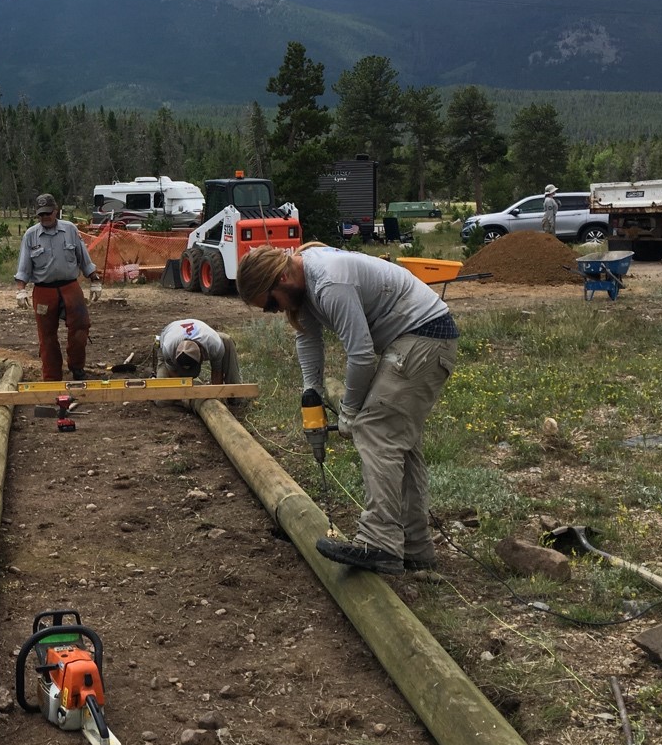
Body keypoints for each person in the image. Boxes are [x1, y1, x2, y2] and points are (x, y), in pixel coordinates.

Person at [236, 243, 458, 575]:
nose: (275, 310)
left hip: (424, 337)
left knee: (375, 428)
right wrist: (311, 387)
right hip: (417, 338)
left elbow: (361, 354)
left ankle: (380, 543)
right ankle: (415, 547)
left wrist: (351, 412)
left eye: (271, 303)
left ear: (281, 276)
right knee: (398, 441)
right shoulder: (305, 282)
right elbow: (307, 337)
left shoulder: (328, 283)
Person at [15, 193, 103, 381]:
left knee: (81, 328)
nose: (45, 218)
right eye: (41, 215)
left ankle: (77, 368)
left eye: (48, 213)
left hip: (70, 288)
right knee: (47, 337)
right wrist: (21, 290)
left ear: (56, 211)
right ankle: (52, 377)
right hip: (44, 291)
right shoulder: (31, 235)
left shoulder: (70, 230)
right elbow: (23, 268)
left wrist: (94, 279)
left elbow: (83, 258)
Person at [155, 318, 242, 385]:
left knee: (226, 340)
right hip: (169, 333)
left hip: (205, 335)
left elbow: (216, 372)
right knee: (163, 400)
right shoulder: (168, 349)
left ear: (202, 357)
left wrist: (215, 396)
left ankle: (236, 395)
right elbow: (173, 373)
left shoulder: (215, 346)